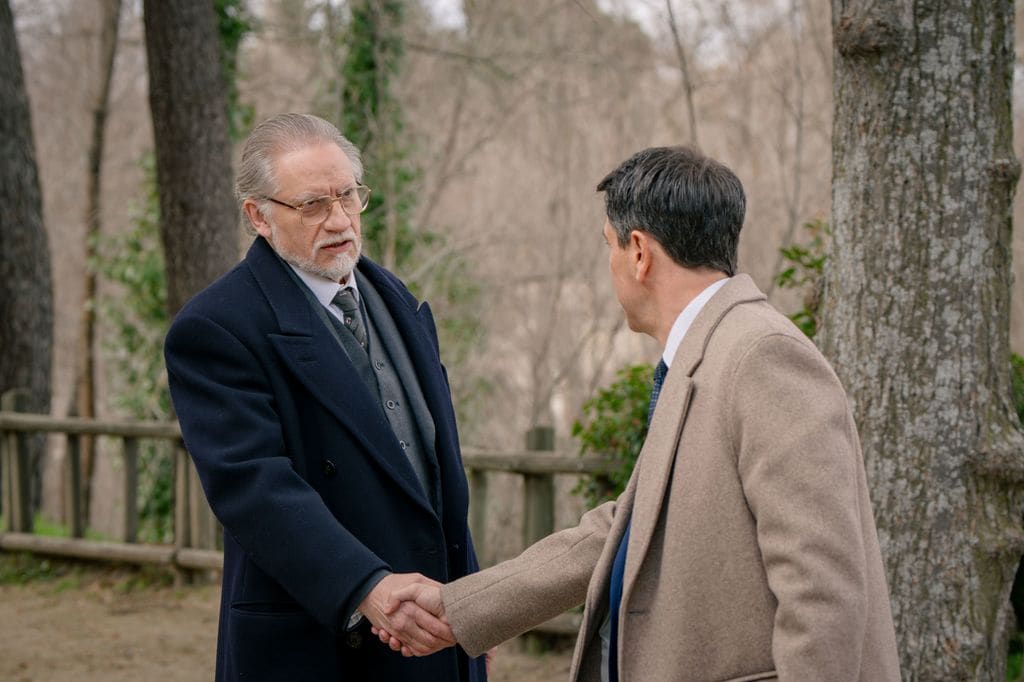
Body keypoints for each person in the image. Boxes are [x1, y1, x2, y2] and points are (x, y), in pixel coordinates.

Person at [377, 146, 901, 681]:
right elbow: (624, 527)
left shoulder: (761, 356)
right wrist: (463, 607)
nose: (610, 266)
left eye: (609, 246)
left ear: (639, 253)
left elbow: (823, 587)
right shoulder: (704, 353)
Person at [164, 113, 486, 681]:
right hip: (320, 640)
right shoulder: (216, 328)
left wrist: (473, 608)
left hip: (434, 628)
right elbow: (255, 488)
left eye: (348, 197)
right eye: (312, 204)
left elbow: (435, 477)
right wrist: (366, 587)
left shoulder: (396, 298)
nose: (339, 221)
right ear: (257, 216)